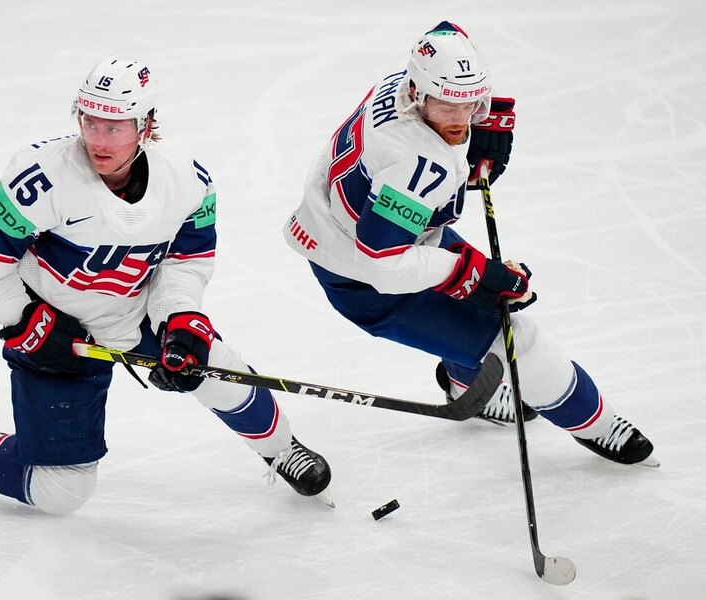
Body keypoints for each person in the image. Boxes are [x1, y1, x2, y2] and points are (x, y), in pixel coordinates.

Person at [0, 56, 331, 514]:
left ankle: (282, 450)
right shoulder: (42, 177)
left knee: (219, 371)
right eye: (89, 122)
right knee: (61, 493)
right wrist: (25, 322)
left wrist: (181, 319)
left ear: (146, 124)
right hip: (50, 330)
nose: (97, 139)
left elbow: (184, 261)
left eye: (113, 127)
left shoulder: (189, 183)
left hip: (132, 315)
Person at [281, 21, 657, 466]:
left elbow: (446, 32)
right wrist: (465, 273)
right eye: (448, 107)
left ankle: (465, 383)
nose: (461, 120)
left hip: (352, 229)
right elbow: (383, 262)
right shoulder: (416, 165)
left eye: (470, 102)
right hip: (367, 280)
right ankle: (599, 425)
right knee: (518, 338)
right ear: (419, 94)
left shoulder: (403, 84)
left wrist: (475, 117)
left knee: (475, 304)